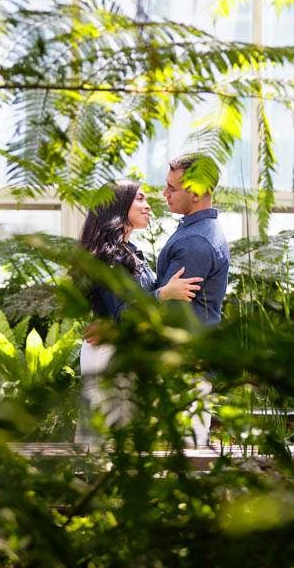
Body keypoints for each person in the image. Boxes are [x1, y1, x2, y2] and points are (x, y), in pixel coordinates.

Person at [75, 179, 202, 444]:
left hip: (120, 354)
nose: (148, 207)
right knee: (103, 447)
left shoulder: (129, 253)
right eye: (140, 199)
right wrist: (166, 293)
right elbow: (126, 314)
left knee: (120, 445)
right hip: (109, 358)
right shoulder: (109, 258)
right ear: (118, 206)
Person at [154, 154, 231, 446]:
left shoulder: (195, 242)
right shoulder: (196, 230)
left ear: (196, 193)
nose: (165, 194)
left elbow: (172, 309)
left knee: (185, 456)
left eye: (172, 188)